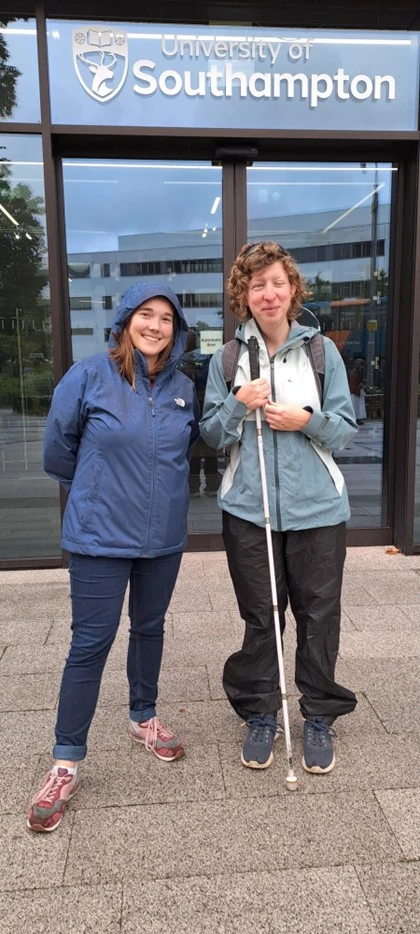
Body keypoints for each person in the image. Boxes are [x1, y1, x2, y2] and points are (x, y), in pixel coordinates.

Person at [27, 282, 200, 832]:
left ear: (177, 330)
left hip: (163, 537)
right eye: (145, 315)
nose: (155, 326)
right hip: (100, 536)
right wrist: (99, 489)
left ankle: (143, 717)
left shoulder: (182, 388)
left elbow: (184, 449)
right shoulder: (89, 376)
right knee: (90, 643)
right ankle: (65, 760)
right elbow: (60, 448)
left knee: (149, 627)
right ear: (126, 321)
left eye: (166, 319)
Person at [200, 242, 358, 775]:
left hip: (318, 512)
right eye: (256, 285)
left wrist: (303, 420)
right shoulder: (227, 359)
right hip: (250, 511)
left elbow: (347, 431)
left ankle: (318, 715)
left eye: (276, 282)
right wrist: (236, 404)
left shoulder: (321, 353)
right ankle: (261, 711)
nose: (268, 293)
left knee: (319, 618)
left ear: (292, 289)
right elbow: (209, 435)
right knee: (262, 616)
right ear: (243, 296)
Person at [349, 357, 367, 425]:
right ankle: (355, 419)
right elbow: (352, 384)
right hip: (355, 393)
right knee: (355, 406)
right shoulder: (354, 373)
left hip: (358, 392)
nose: (362, 367)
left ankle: (358, 418)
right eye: (361, 365)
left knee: (359, 406)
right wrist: (358, 386)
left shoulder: (359, 372)